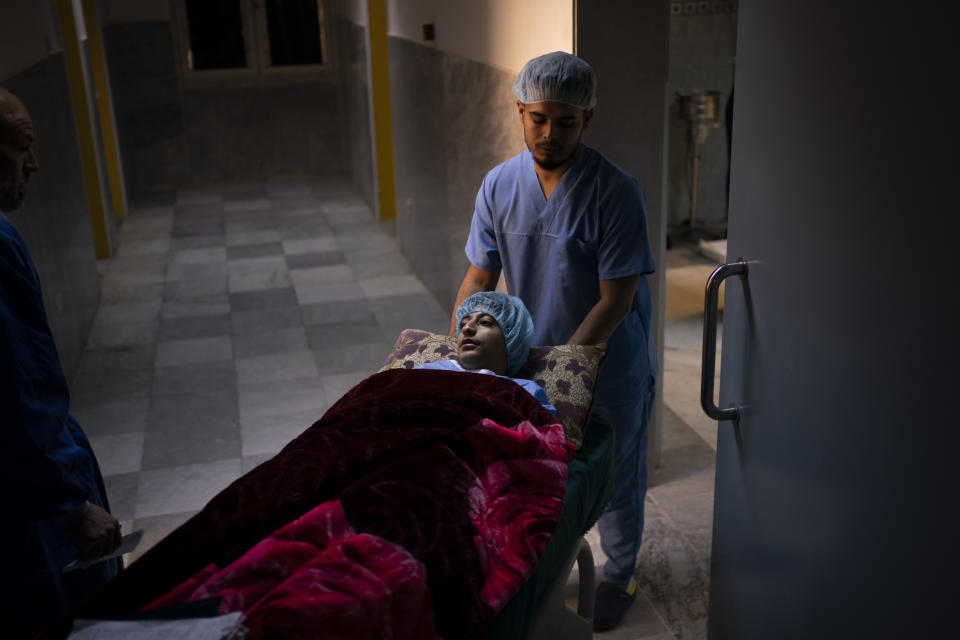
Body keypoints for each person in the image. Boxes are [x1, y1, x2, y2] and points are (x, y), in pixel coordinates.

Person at [450, 52, 658, 631]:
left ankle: (619, 574)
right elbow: (478, 278)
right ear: (520, 110)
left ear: (586, 119)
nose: (550, 133)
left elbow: (614, 300)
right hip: (530, 358)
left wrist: (566, 372)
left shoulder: (615, 192)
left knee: (614, 474)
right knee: (537, 473)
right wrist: (457, 349)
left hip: (606, 363)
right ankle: (546, 562)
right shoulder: (499, 185)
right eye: (539, 118)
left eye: (566, 122)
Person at [0, 87, 122, 637]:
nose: (33, 163)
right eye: (20, 146)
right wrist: (70, 504)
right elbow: (19, 391)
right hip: (24, 511)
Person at [418, 291, 555, 414]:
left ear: (511, 339)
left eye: (485, 322)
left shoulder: (524, 391)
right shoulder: (425, 372)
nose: (467, 328)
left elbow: (545, 435)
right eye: (462, 324)